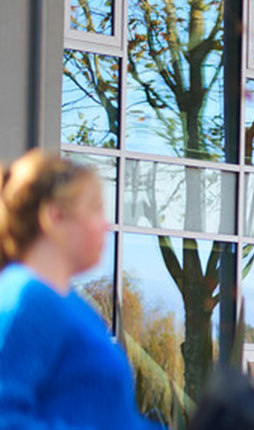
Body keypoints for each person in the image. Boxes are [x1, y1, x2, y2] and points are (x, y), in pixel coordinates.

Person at [0, 150, 161, 429]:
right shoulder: (26, 299)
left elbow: (115, 420)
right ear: (55, 216)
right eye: (95, 210)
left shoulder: (73, 305)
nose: (106, 225)